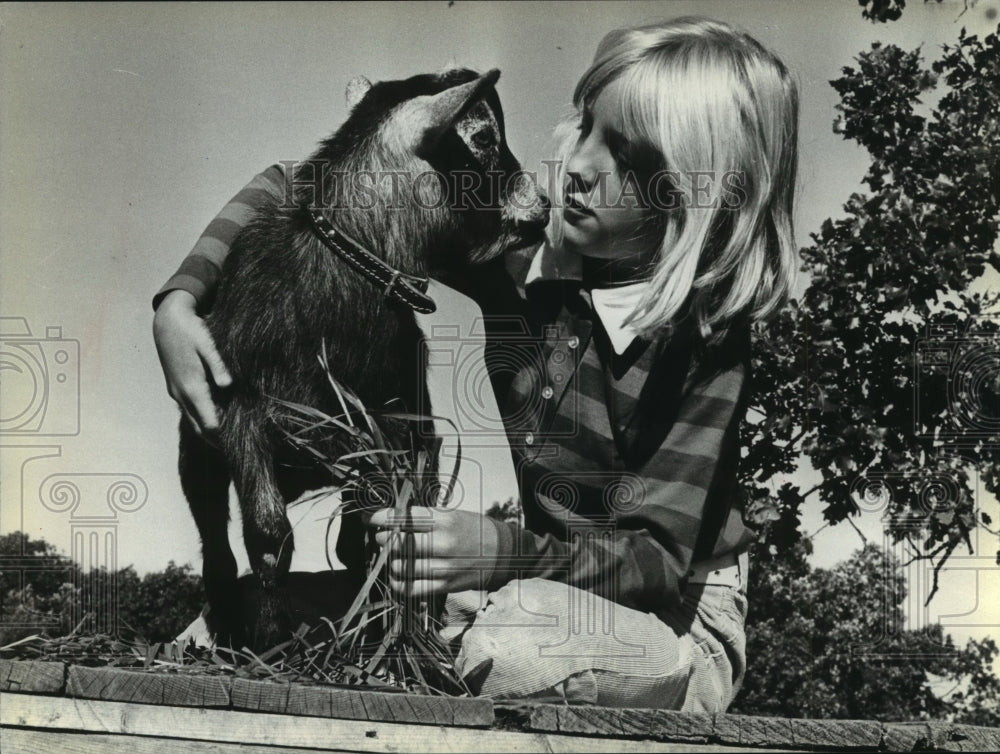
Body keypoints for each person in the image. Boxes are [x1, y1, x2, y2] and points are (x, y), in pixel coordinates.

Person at [153, 16, 798, 711]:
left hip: (674, 627)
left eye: (629, 159)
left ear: (698, 199)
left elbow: (658, 565)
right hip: (530, 585)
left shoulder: (705, 346)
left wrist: (500, 554)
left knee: (512, 646)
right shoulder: (526, 271)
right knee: (228, 627)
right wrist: (180, 300)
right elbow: (305, 183)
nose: (579, 165)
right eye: (586, 124)